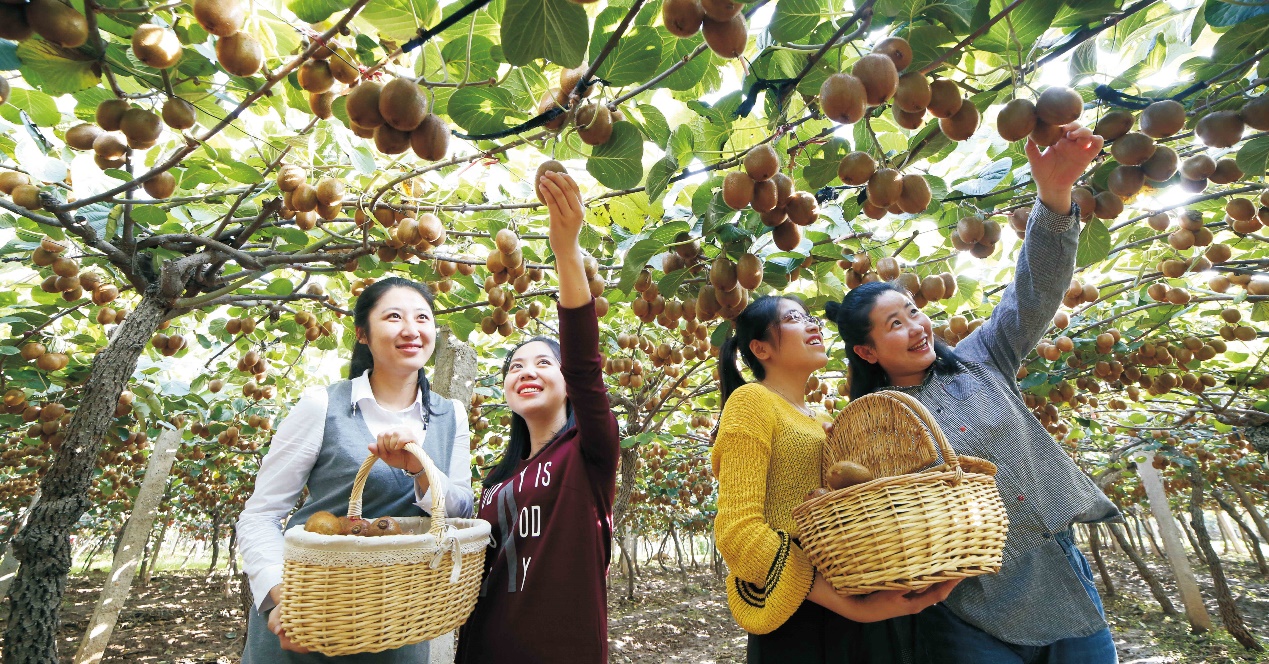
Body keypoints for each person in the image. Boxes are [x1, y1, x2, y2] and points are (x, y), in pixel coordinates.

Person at [824, 124, 1118, 663]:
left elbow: (1034, 290)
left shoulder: (984, 358)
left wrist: (1054, 196)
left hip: (1056, 576)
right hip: (965, 605)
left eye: (913, 311)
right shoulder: (875, 427)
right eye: (894, 325)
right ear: (867, 353)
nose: (916, 327)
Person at [377, 170, 620, 663]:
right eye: (514, 367)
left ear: (568, 381)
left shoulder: (589, 452)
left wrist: (565, 251)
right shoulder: (499, 479)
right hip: (485, 649)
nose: (526, 372)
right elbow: (465, 546)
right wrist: (419, 469)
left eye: (543, 363)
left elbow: (586, 364)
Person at [238, 276, 474, 663]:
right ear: (362, 334)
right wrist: (287, 599)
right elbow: (261, 514)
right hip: (310, 618)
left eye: (423, 318)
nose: (411, 329)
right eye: (394, 317)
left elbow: (462, 511)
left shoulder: (451, 415)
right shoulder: (322, 405)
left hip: (398, 624)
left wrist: (420, 471)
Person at [712, 294, 960, 663]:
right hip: (803, 614)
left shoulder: (821, 421)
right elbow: (737, 531)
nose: (813, 325)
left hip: (857, 594)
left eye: (810, 316)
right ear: (760, 348)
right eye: (794, 318)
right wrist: (850, 606)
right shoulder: (751, 401)